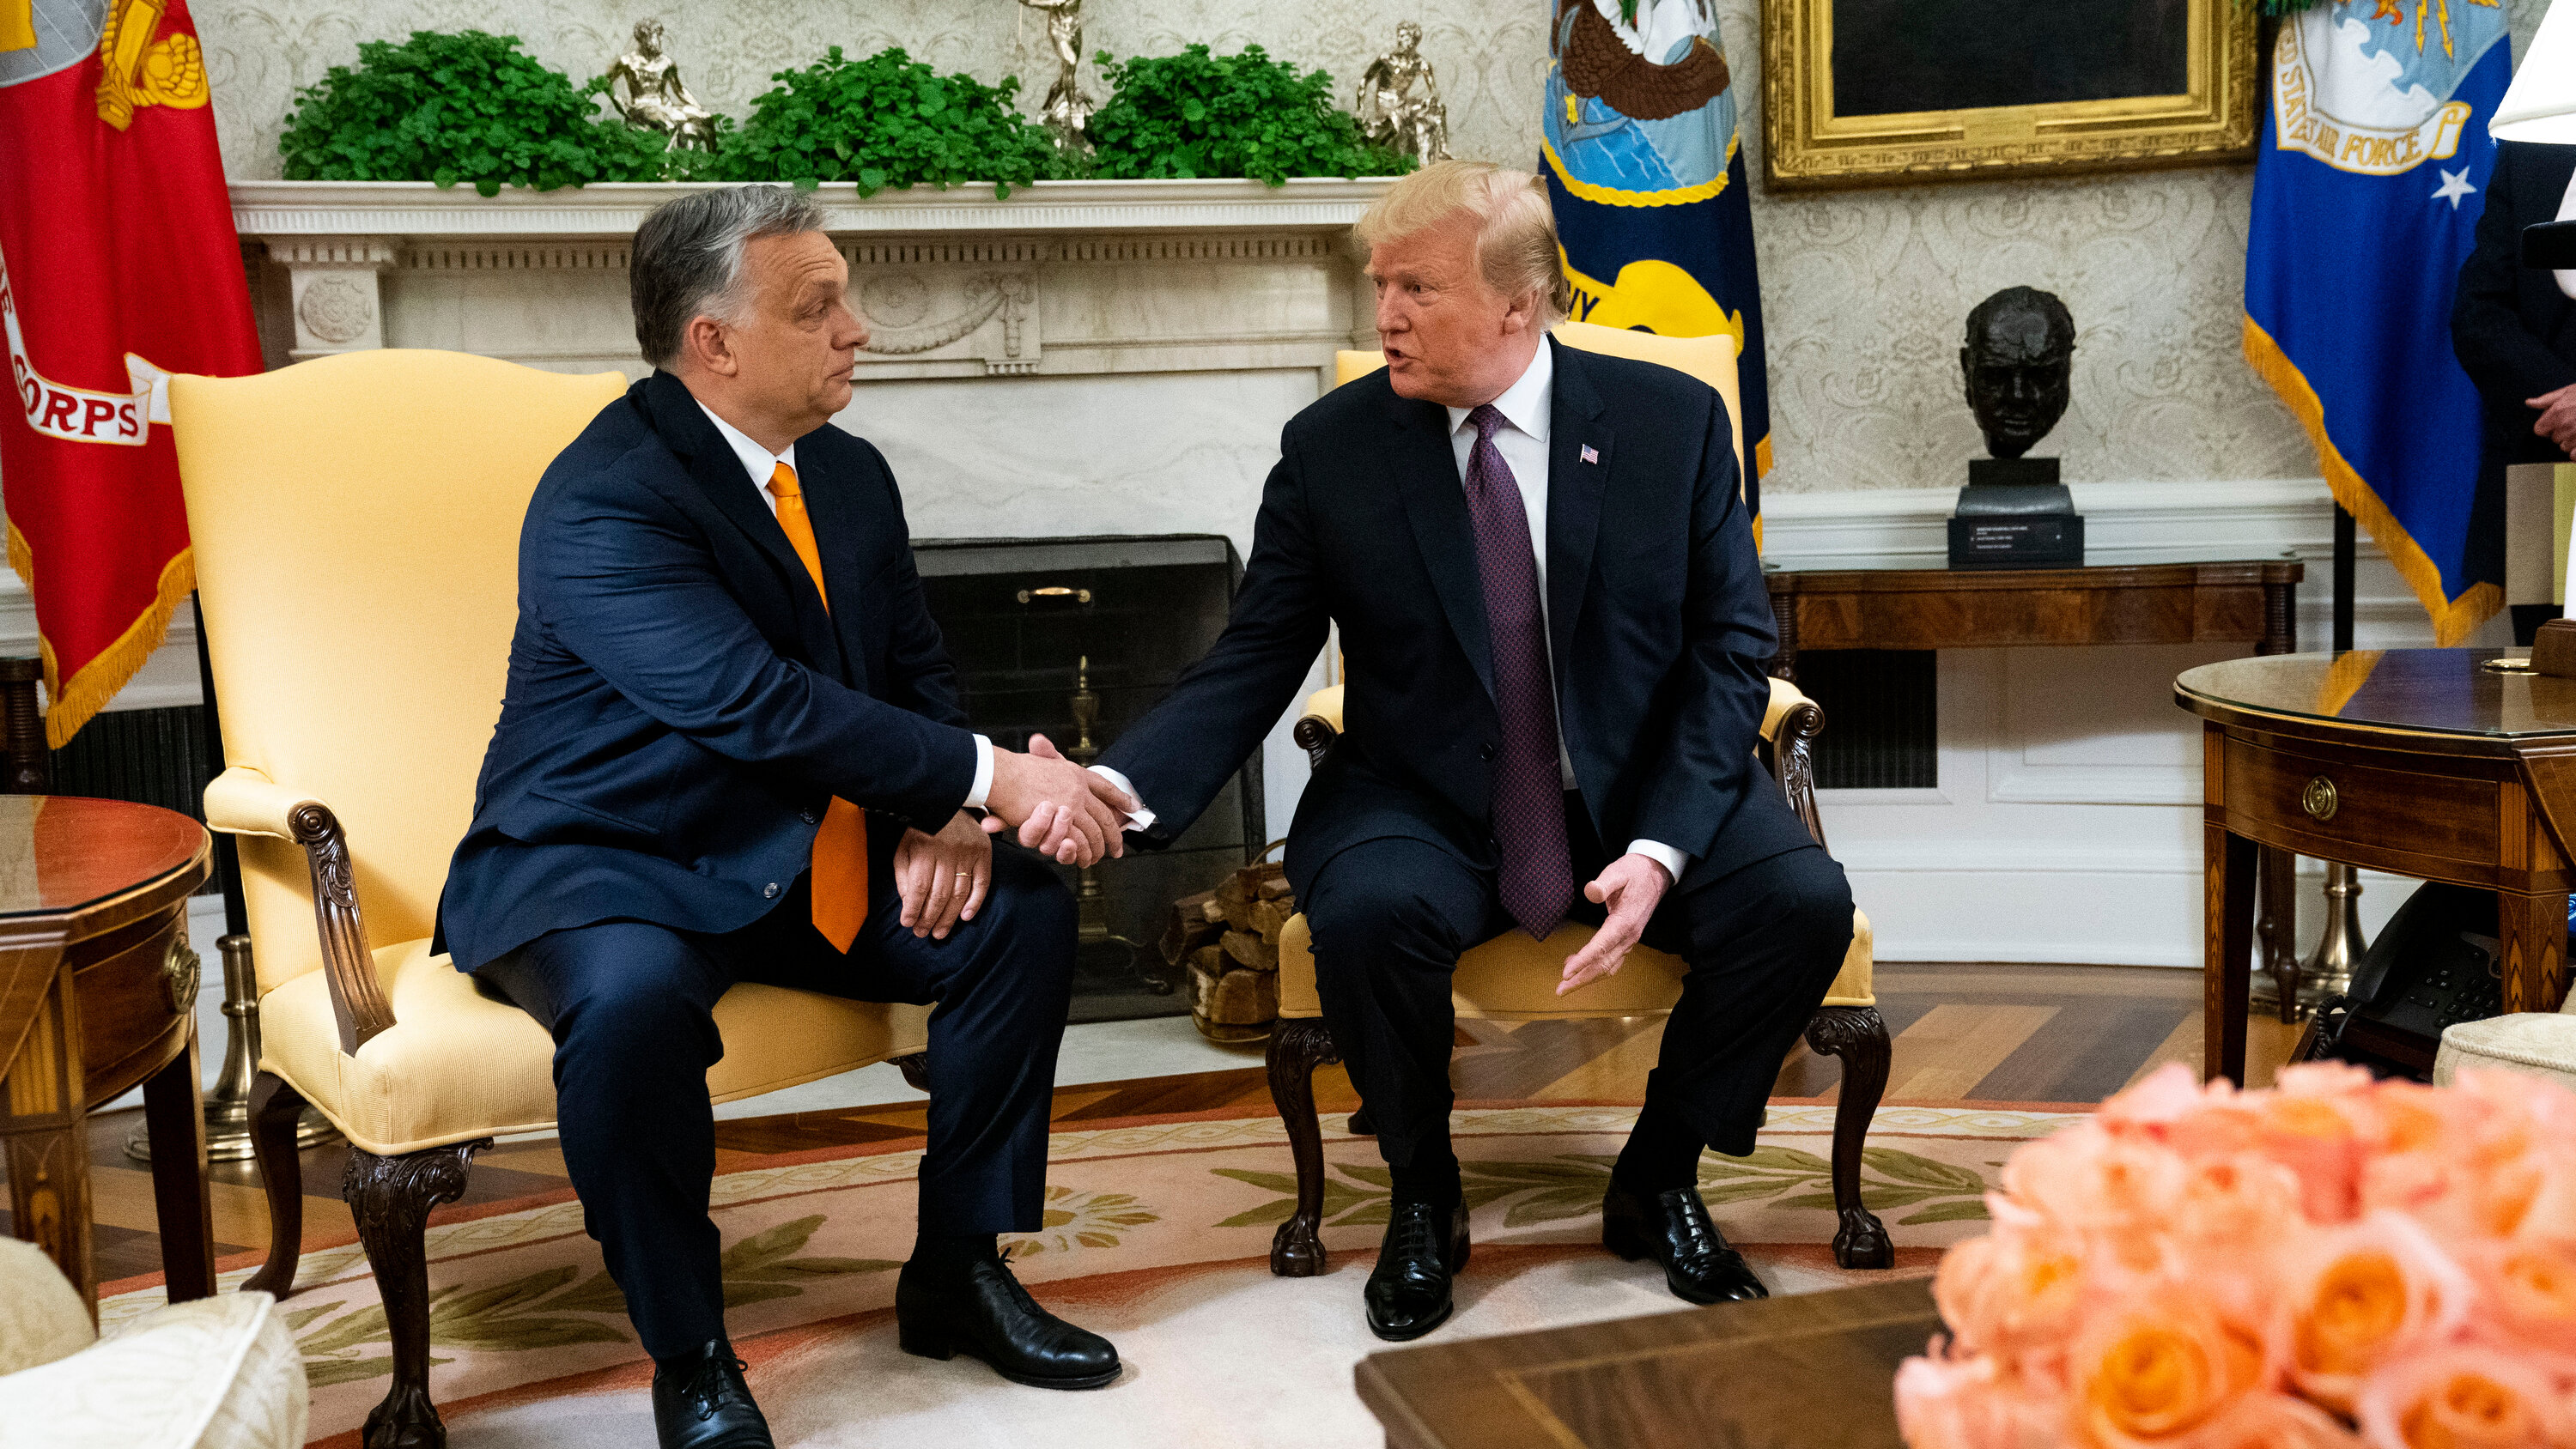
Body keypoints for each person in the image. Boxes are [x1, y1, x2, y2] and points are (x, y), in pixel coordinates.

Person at [1089, 161, 1853, 1342]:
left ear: (1517, 304)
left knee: (1800, 904)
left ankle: (1660, 1171)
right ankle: (1423, 1189)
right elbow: (1255, 654)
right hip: (1423, 788)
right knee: (1366, 912)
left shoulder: (1670, 423)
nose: (1384, 315)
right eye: (1378, 286)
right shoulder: (1334, 447)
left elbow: (1730, 649)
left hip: (1640, 780)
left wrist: (1661, 845)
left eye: (1417, 288)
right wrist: (1115, 787)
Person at [435, 185, 1140, 1449]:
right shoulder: (606, 496)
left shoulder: (849, 474)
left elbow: (914, 667)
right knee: (633, 1008)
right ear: (713, 341)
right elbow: (749, 702)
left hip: (799, 854)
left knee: (1019, 912)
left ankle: (958, 1267)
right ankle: (692, 1355)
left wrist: (952, 815)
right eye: (817, 308)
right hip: (611, 860)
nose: (857, 329)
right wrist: (994, 777)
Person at [2453, 138, 2576, 628]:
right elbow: (2479, 312)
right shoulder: (2531, 151)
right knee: (2548, 662)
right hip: (2547, 460)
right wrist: (2566, 410)